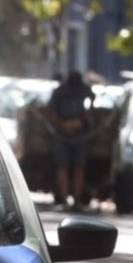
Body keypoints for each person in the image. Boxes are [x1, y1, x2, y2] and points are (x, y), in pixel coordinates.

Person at [46, 72, 95, 209]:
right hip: (61, 135)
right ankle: (65, 199)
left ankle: (77, 200)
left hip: (80, 135)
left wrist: (81, 120)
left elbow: (92, 103)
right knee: (63, 166)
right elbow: (51, 111)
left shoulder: (84, 89)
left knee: (79, 167)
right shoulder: (59, 92)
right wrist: (63, 125)